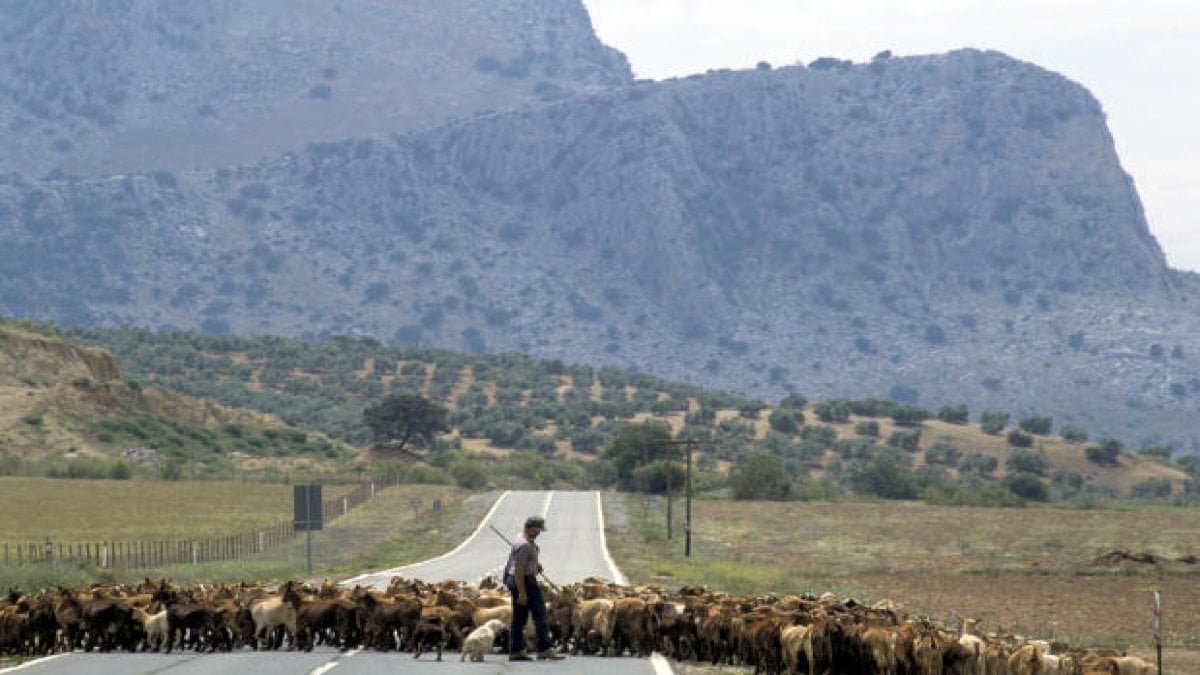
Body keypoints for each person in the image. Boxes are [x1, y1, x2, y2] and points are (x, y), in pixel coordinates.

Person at [503, 515, 564, 661]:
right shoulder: (524, 544)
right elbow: (518, 569)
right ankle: (544, 648)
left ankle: (516, 650)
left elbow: (520, 563)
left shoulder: (522, 539)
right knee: (541, 614)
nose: (539, 533)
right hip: (523, 581)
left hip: (519, 579)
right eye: (537, 530)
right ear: (529, 528)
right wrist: (522, 593)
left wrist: (535, 566)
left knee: (519, 616)